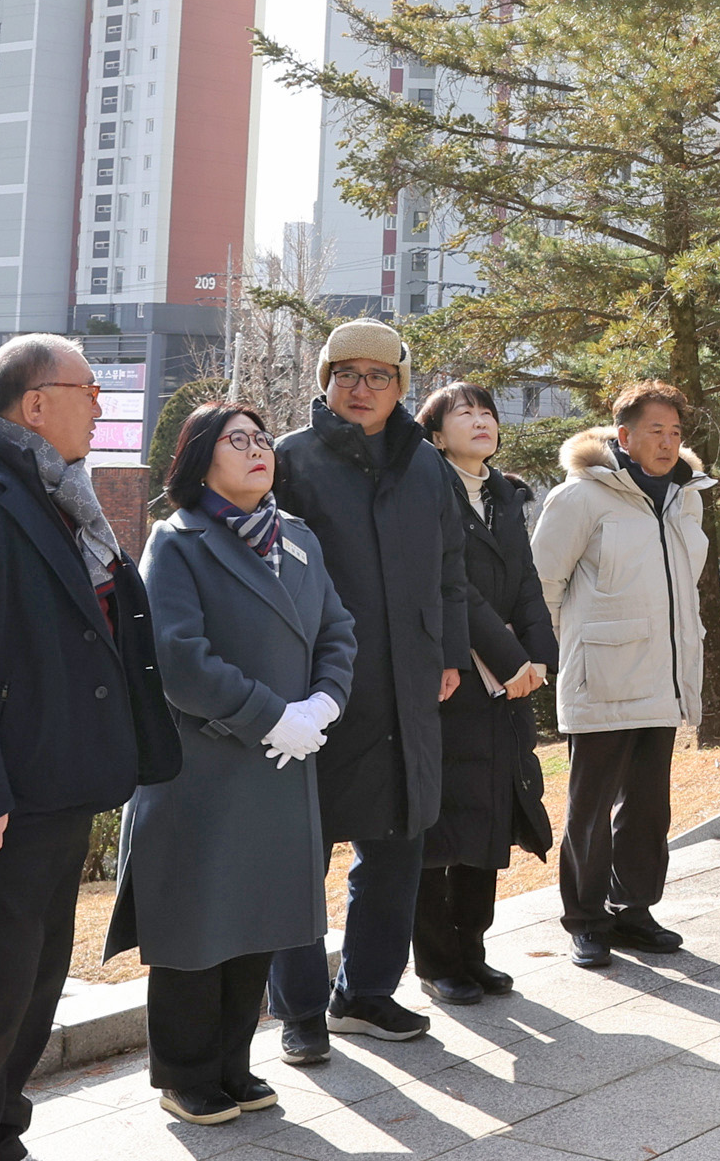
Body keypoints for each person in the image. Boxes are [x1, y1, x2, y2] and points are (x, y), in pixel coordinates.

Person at [0, 334, 178, 1161]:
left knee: (35, 986)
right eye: (88, 388)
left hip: (59, 783)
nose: (100, 403)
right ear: (34, 404)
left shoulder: (64, 497)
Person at [107, 404, 356, 1125]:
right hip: (206, 766)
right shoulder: (178, 542)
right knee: (196, 923)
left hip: (284, 763)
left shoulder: (299, 539)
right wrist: (271, 715)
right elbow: (180, 659)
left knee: (259, 918)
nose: (257, 451)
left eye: (261, 440)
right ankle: (186, 1073)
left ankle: (234, 1064)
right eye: (236, 441)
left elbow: (339, 633)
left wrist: (321, 708)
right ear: (199, 460)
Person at [263, 322, 468, 1059]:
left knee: (397, 843)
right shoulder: (290, 459)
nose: (361, 388)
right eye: (345, 373)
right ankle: (298, 1011)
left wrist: (447, 650)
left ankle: (368, 994)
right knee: (298, 852)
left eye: (378, 376)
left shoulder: (426, 466)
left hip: (408, 681)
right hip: (319, 686)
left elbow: (451, 568)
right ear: (324, 380)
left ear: (400, 388)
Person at [532, 380, 712, 970]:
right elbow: (543, 586)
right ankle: (585, 919)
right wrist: (575, 651)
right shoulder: (581, 497)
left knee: (648, 807)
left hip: (662, 675)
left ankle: (634, 909)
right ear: (624, 436)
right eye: (655, 431)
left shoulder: (687, 497)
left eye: (676, 432)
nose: (667, 442)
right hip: (602, 677)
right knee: (590, 806)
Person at [411, 383, 554, 1007]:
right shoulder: (426, 489)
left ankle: (473, 949)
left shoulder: (504, 494)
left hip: (505, 684)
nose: (481, 421)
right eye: (463, 412)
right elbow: (453, 586)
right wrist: (510, 656)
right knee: (441, 825)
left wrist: (538, 656)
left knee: (491, 814)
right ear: (436, 432)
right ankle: (437, 961)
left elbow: (525, 580)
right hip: (449, 676)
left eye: (488, 412)